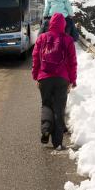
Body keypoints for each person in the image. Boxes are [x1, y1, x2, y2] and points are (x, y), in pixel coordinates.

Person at [32, 12, 77, 151]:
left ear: (50, 23)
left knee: (46, 105)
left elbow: (35, 58)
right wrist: (72, 80)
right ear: (64, 25)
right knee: (59, 109)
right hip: (62, 79)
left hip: (44, 78)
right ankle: (57, 143)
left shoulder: (42, 38)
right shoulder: (68, 40)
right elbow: (72, 62)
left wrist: (36, 75)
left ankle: (45, 129)